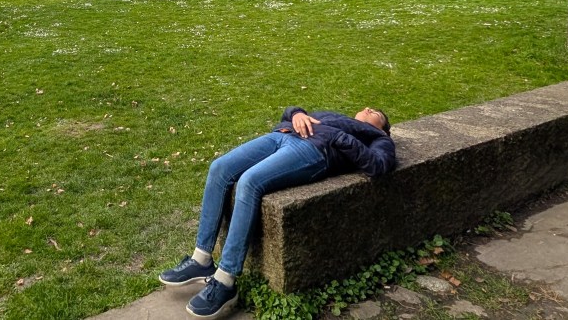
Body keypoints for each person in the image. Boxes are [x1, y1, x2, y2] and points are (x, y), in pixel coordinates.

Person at [159, 105, 396, 318]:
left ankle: (225, 281)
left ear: (382, 129)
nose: (367, 108)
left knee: (249, 182)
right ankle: (201, 258)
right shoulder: (333, 115)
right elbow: (289, 111)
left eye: (374, 112)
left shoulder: (377, 138)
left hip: (313, 152)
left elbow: (378, 165)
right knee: (219, 168)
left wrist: (339, 137)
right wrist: (298, 114)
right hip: (281, 135)